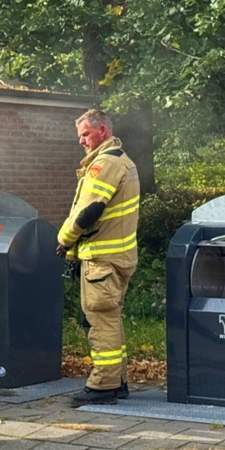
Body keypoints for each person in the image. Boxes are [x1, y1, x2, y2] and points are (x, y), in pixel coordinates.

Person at [56, 109, 140, 408]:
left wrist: (63, 239)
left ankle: (103, 384)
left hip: (102, 259)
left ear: (102, 131)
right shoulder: (123, 161)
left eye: (86, 134)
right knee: (111, 319)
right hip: (118, 256)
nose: (81, 141)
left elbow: (88, 211)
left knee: (101, 321)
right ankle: (117, 381)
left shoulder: (103, 164)